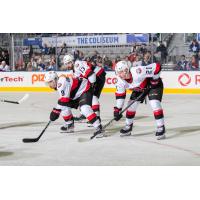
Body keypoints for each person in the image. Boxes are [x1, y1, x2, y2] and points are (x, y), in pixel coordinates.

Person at [113, 61, 165, 140]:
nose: (119, 75)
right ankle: (128, 127)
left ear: (126, 70)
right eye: (118, 73)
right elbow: (120, 95)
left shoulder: (138, 71)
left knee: (155, 104)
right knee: (130, 106)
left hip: (153, 86)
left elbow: (157, 67)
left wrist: (154, 80)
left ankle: (161, 127)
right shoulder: (119, 81)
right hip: (139, 89)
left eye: (120, 72)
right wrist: (118, 109)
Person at [44, 71, 103, 136]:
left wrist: (55, 112)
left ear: (55, 79)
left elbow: (63, 100)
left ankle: (98, 126)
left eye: (50, 82)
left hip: (85, 89)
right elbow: (63, 101)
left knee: (84, 109)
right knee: (64, 107)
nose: (49, 85)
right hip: (76, 94)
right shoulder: (59, 82)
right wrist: (56, 111)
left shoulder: (61, 83)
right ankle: (70, 125)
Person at [63, 54, 106, 123]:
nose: (67, 65)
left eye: (68, 63)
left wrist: (92, 85)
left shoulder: (77, 65)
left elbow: (91, 74)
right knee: (83, 94)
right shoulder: (73, 70)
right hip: (95, 76)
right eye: (66, 64)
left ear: (72, 61)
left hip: (98, 76)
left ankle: (97, 117)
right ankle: (84, 115)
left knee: (93, 96)